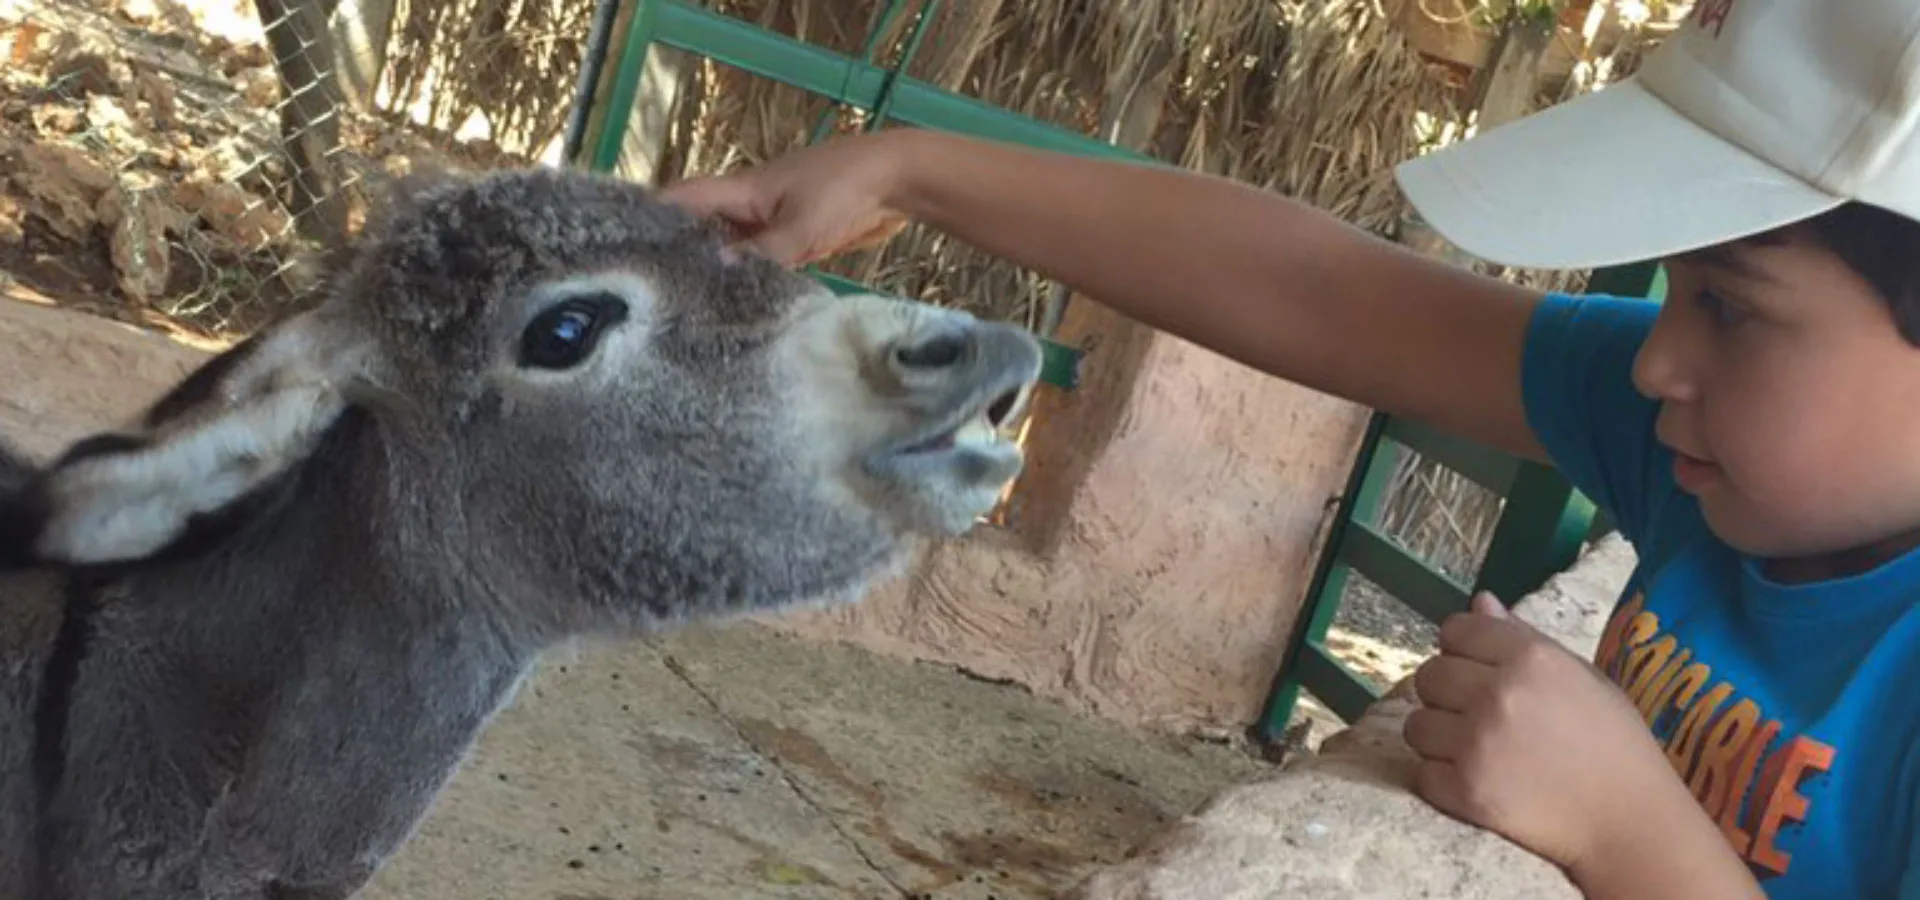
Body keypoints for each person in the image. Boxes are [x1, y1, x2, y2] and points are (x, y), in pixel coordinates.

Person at [658, 0, 1920, 896]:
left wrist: (1630, 831)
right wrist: (909, 172)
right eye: (1674, 290)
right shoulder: (1708, 453)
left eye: (1733, 307)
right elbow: (1325, 294)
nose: (1654, 362)